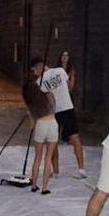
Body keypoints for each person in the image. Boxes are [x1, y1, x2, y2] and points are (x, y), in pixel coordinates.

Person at [45, 50, 86, 178]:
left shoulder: (66, 72)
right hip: (55, 110)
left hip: (67, 108)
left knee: (75, 138)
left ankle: (81, 169)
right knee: (53, 140)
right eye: (63, 55)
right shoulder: (53, 73)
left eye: (67, 55)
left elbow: (69, 88)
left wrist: (69, 79)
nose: (64, 57)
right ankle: (55, 170)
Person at [24, 58, 58, 194]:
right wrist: (47, 70)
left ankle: (33, 185)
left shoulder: (33, 101)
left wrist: (31, 126)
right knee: (48, 157)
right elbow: (51, 80)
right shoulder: (50, 95)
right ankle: (44, 188)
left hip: (41, 125)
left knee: (38, 157)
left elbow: (31, 119)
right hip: (53, 124)